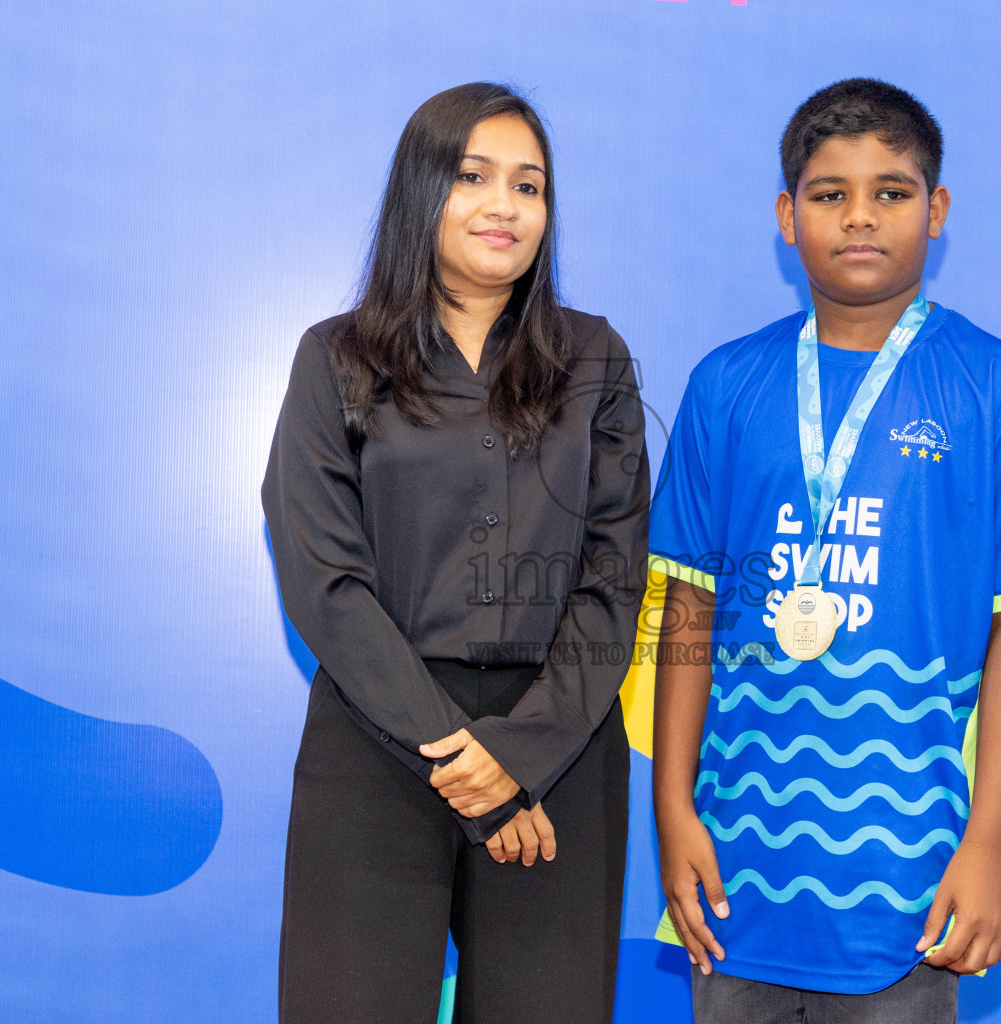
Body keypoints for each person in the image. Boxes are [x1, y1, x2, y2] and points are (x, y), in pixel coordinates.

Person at [650, 78, 1001, 1022]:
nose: (859, 217)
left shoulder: (1000, 391)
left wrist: (988, 848)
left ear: (936, 211)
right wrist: (673, 808)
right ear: (785, 214)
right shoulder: (725, 385)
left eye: (891, 192)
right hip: (734, 881)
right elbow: (688, 610)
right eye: (828, 192)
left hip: (910, 890)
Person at [262, 82, 648, 1024]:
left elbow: (615, 574)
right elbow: (325, 579)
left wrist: (518, 755)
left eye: (530, 185)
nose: (505, 206)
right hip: (378, 740)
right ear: (420, 192)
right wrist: (461, 759)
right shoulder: (337, 358)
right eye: (474, 177)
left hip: (560, 748)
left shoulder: (595, 359)